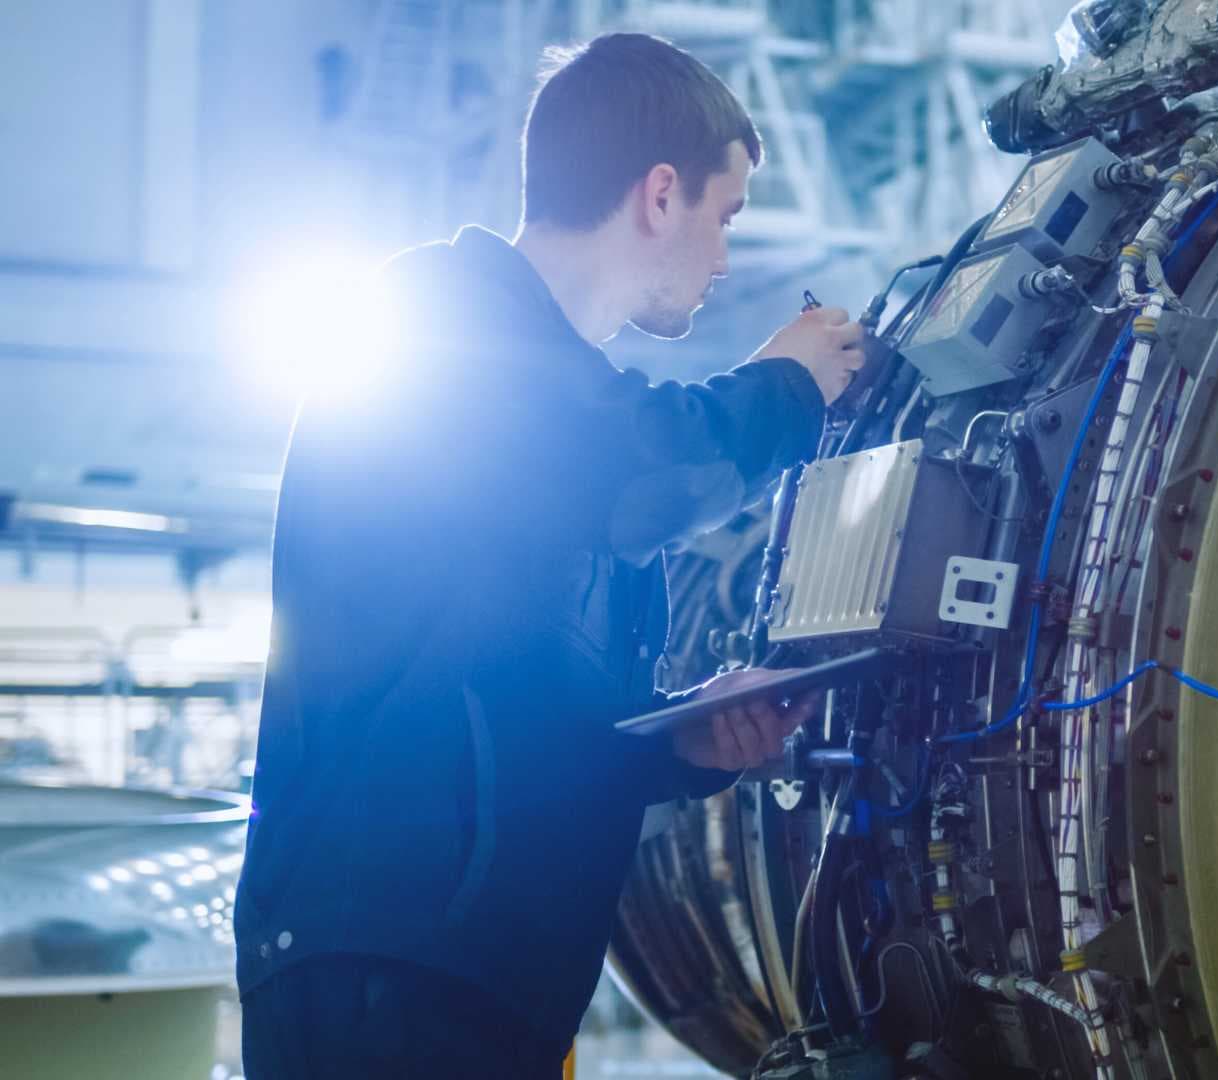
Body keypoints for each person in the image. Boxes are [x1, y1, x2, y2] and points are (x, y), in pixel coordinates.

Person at [234, 33, 863, 1079]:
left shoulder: (558, 434)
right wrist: (790, 386)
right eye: (726, 215)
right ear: (662, 194)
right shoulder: (438, 319)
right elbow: (640, 475)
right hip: (381, 978)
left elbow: (524, 728)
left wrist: (681, 748)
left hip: (484, 991)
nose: (725, 256)